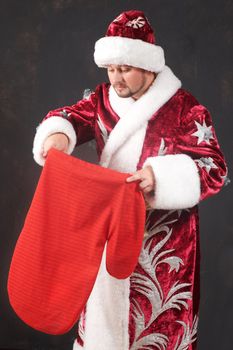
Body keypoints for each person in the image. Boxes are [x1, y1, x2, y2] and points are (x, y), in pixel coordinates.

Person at [32, 10, 227, 350]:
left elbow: (213, 168)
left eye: (124, 69)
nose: (115, 78)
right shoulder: (102, 99)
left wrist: (159, 177)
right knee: (103, 327)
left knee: (157, 332)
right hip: (108, 231)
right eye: (110, 68)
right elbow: (69, 118)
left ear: (148, 66)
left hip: (162, 246)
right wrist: (58, 137)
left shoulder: (186, 109)